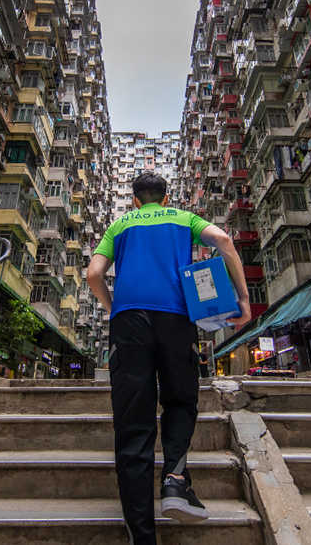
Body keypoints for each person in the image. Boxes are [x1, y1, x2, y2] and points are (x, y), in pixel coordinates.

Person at [86, 172, 251, 545]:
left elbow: (94, 273)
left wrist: (115, 309)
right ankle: (175, 482)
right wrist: (242, 298)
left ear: (134, 201)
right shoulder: (182, 217)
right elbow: (224, 240)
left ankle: (142, 537)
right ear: (165, 198)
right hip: (177, 319)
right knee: (180, 400)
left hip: (129, 324)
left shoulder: (120, 223)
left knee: (133, 424)